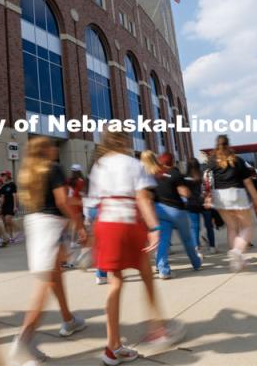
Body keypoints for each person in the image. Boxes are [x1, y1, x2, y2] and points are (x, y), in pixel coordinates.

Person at [89, 133, 185, 364]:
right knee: (146, 275)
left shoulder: (99, 166)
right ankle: (158, 328)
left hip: (105, 222)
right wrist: (153, 226)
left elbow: (92, 202)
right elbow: (143, 198)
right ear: (124, 141)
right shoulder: (132, 163)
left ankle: (112, 346)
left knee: (115, 282)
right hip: (127, 221)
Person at [10, 137, 87, 364]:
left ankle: (68, 319)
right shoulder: (53, 168)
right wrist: (80, 225)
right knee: (44, 285)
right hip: (50, 226)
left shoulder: (28, 173)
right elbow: (62, 200)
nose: (56, 148)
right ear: (46, 150)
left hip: (35, 222)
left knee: (54, 276)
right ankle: (24, 340)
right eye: (52, 145)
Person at [142, 151, 202, 280]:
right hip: (177, 211)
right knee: (187, 239)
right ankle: (196, 263)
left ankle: (163, 269)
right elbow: (184, 193)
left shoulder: (155, 175)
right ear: (172, 162)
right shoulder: (175, 173)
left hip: (160, 211)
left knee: (163, 240)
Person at [206, 135, 257, 272]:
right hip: (237, 194)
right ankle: (237, 251)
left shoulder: (212, 162)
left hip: (220, 196)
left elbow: (207, 181)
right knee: (247, 226)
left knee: (232, 228)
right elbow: (248, 182)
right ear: (228, 145)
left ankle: (237, 260)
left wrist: (208, 198)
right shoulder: (237, 160)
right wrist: (256, 199)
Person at [184, 158, 216, 254]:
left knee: (194, 227)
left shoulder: (185, 177)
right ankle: (212, 247)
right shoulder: (203, 175)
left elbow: (184, 192)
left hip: (192, 204)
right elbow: (209, 188)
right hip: (204, 202)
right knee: (209, 226)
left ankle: (197, 249)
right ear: (198, 165)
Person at [0, 170, 20, 242]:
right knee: (5, 222)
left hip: (10, 205)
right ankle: (9, 237)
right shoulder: (3, 186)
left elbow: (15, 196)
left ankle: (13, 236)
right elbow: (2, 198)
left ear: (8, 176)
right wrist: (0, 207)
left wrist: (15, 206)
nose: (3, 177)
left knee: (8, 220)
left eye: (4, 175)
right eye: (2, 176)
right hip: (4, 206)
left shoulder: (12, 184)